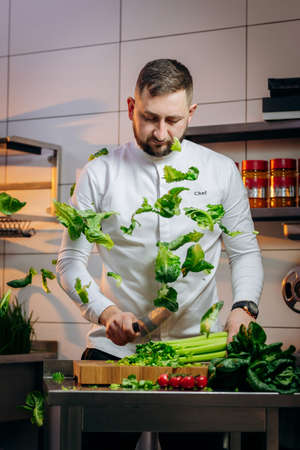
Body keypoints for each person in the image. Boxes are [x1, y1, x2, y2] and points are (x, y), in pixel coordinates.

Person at [56, 59, 264, 449]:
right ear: (131, 108)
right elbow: (69, 263)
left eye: (174, 120)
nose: (161, 133)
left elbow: (244, 251)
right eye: (150, 118)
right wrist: (107, 311)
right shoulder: (98, 173)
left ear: (191, 113)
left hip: (195, 351)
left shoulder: (221, 171)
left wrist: (244, 307)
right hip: (114, 351)